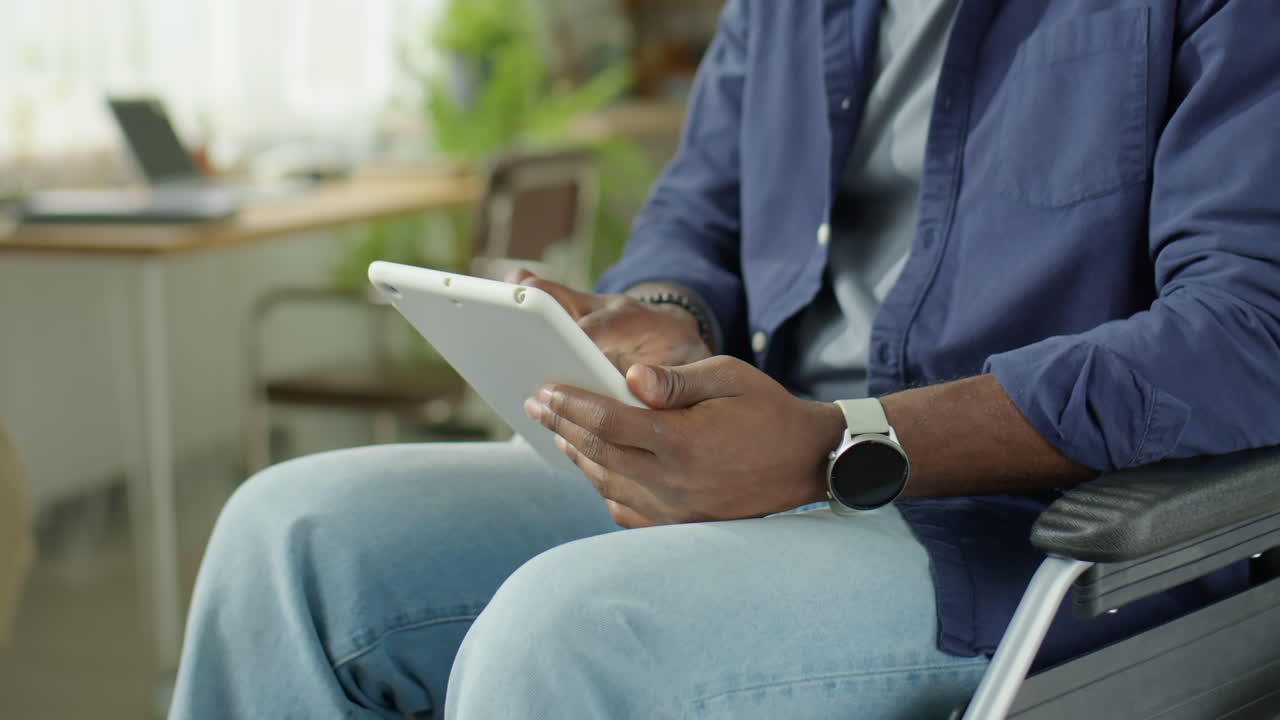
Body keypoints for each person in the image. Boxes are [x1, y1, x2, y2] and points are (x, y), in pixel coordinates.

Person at [169, 0, 1280, 717]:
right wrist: (658, 315)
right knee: (290, 538)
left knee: (571, 632)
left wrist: (833, 448)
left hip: (1008, 522)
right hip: (761, 459)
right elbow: (694, 218)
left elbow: (1247, 326)